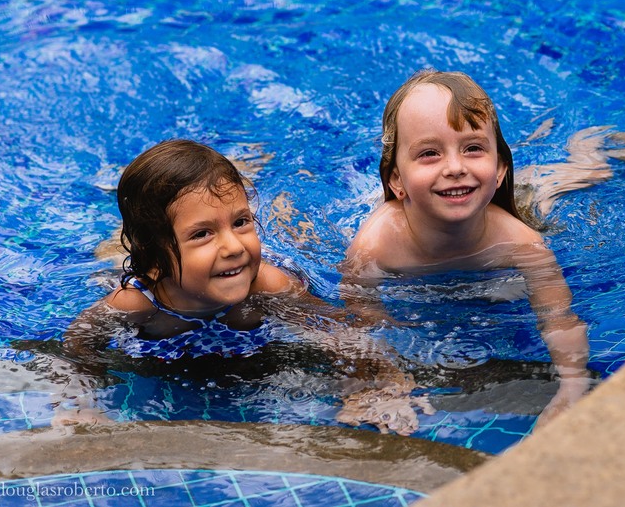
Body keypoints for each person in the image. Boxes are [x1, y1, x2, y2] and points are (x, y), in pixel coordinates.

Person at [64, 139, 428, 434]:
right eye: (202, 233)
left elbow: (343, 335)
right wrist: (81, 404)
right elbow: (76, 345)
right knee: (114, 254)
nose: (234, 246)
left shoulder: (266, 285)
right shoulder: (136, 303)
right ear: (157, 262)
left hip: (252, 268)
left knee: (293, 230)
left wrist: (378, 388)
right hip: (149, 266)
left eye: (241, 222)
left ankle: (252, 177)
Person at [341, 70, 598, 424]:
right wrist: (387, 379)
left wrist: (571, 386)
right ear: (396, 180)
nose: (456, 168)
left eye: (473, 148)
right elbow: (362, 319)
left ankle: (588, 154)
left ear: (498, 170)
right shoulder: (376, 245)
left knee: (544, 196)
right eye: (430, 153)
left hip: (504, 211)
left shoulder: (521, 243)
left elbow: (560, 319)